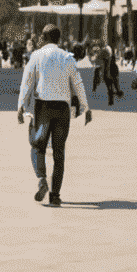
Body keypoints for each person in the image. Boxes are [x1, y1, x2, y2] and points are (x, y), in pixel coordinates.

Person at [18, 22, 90, 204]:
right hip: (62, 109)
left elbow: (27, 81)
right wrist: (86, 107)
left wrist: (21, 106)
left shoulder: (37, 55)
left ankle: (42, 179)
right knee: (59, 152)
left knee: (37, 145)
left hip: (43, 107)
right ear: (59, 39)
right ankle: (55, 196)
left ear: (43, 38)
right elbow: (78, 83)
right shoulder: (67, 57)